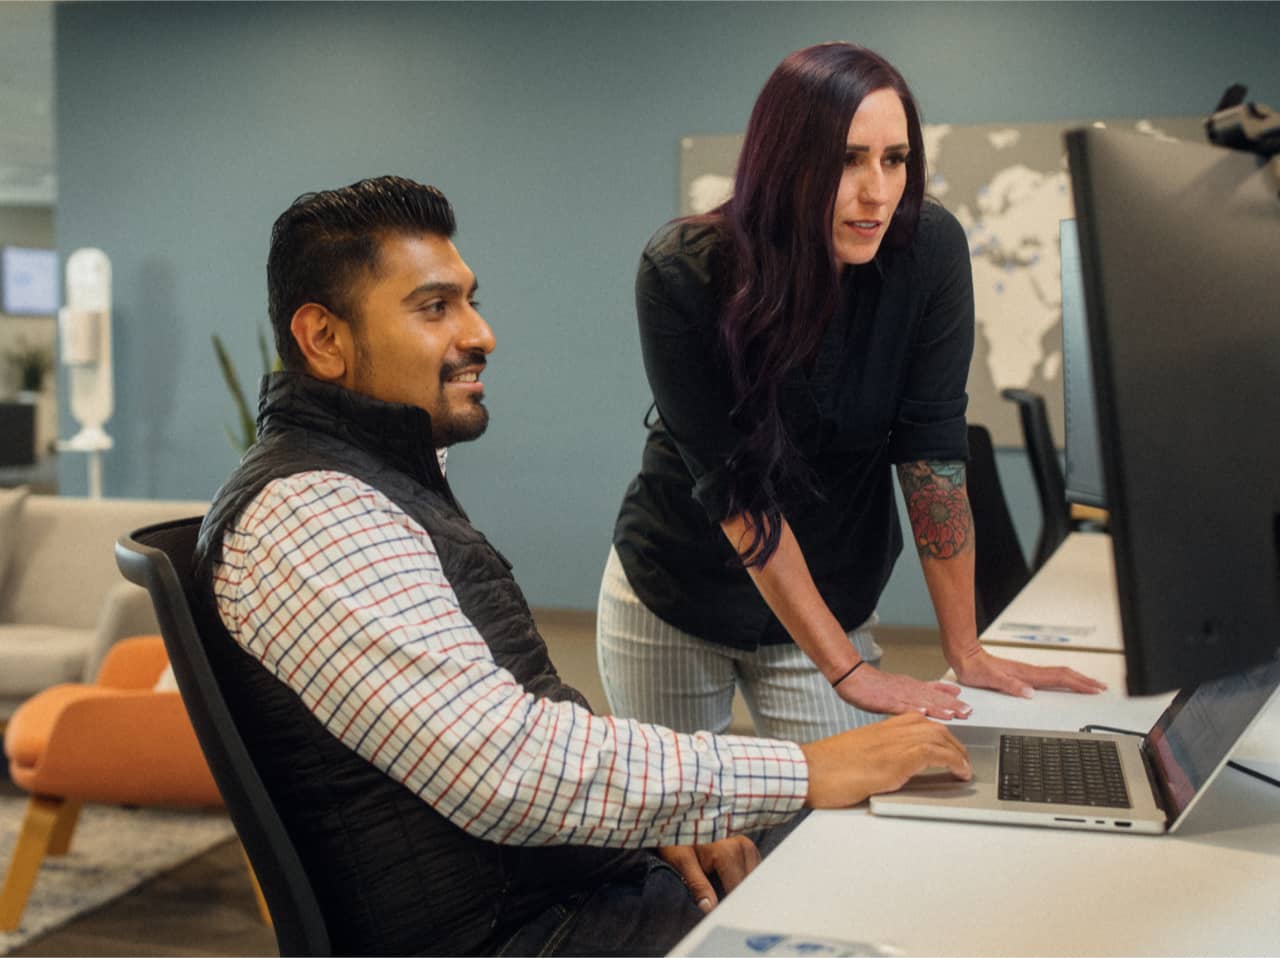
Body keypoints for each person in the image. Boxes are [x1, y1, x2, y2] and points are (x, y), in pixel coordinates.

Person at [192, 175, 971, 956]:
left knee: (889, 860)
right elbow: (503, 765)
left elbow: (516, 735)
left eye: (469, 301)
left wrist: (661, 819)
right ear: (323, 339)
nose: (480, 333)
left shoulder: (373, 486)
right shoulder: (310, 513)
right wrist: (804, 770)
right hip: (529, 930)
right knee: (895, 892)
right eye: (434, 308)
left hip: (564, 892)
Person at [599, 42, 1104, 744]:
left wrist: (966, 648)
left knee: (854, 798)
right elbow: (739, 493)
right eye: (846, 160)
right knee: (684, 810)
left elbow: (931, 454)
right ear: (783, 161)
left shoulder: (928, 250)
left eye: (894, 160)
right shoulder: (684, 270)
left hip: (834, 592)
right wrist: (848, 671)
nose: (878, 192)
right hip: (676, 591)